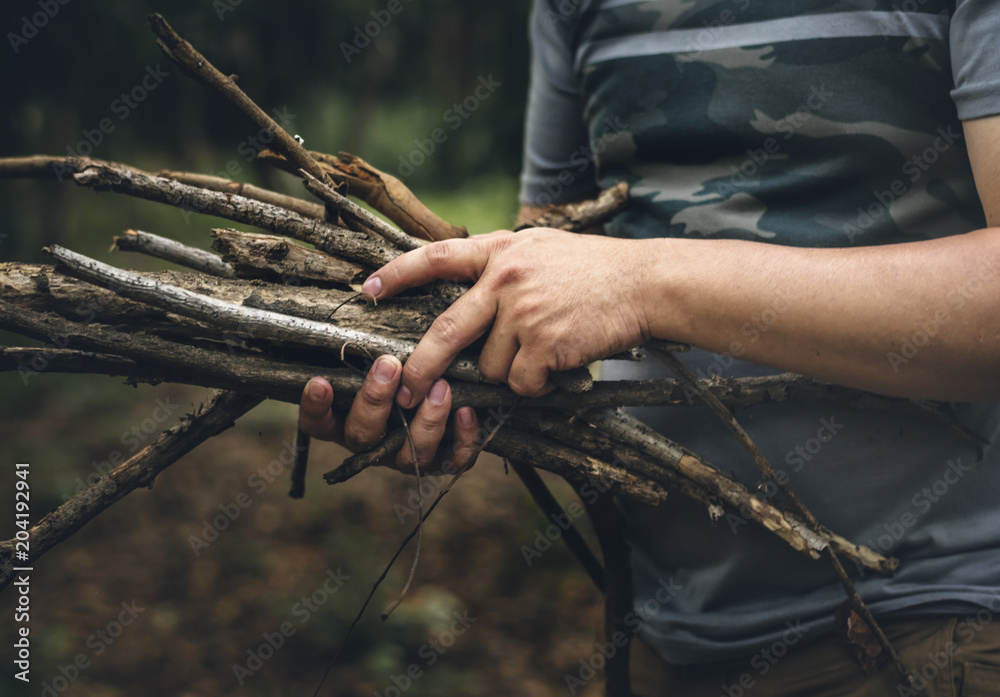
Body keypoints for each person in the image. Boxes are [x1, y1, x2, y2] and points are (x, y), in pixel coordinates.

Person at [300, 1, 1000, 694]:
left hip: (934, 626)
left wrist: (644, 283)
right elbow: (555, 287)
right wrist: (423, 383)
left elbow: (615, 282)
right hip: (661, 639)